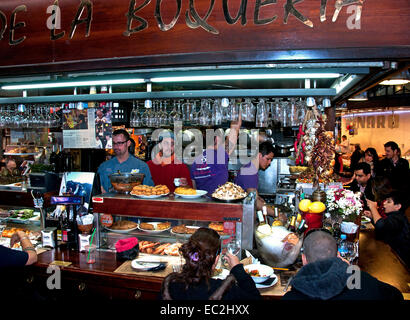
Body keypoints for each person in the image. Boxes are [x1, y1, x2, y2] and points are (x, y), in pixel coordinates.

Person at [282, 230, 403, 300]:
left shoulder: (292, 296)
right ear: (338, 255)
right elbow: (396, 296)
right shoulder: (363, 281)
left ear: (304, 260)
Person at [160, 227, 261, 300]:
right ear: (216, 259)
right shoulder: (225, 290)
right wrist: (237, 269)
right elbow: (255, 297)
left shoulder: (169, 284)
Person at [190, 115, 242, 194]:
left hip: (202, 203)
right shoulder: (220, 156)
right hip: (218, 204)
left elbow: (194, 188)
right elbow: (235, 128)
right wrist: (238, 105)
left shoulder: (195, 162)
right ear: (217, 138)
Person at [97, 129, 154, 193]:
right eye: (114, 143)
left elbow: (149, 191)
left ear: (128, 143)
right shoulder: (104, 167)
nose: (116, 146)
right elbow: (99, 190)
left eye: (120, 143)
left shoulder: (141, 166)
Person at [364, 191, 410, 267]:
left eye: (388, 202)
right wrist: (373, 217)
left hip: (400, 261)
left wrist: (373, 208)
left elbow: (381, 226)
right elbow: (385, 226)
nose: (384, 203)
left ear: (397, 206)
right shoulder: (396, 216)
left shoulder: (398, 219)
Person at [234, 141, 278, 217]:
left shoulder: (250, 168)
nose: (269, 162)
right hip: (241, 216)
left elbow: (249, 195)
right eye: (268, 159)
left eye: (271, 160)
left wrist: (258, 197)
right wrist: (276, 214)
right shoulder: (250, 171)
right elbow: (255, 202)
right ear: (259, 155)